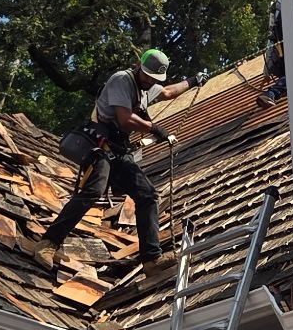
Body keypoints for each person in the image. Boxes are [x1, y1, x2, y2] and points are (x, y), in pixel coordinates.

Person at [32, 48, 192, 272]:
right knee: (94, 189)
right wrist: (155, 128)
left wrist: (192, 81)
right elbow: (125, 120)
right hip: (98, 142)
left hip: (118, 149)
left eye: (154, 79)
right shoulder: (122, 80)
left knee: (147, 195)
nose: (150, 82)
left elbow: (166, 92)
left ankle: (151, 260)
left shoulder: (146, 86)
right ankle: (47, 244)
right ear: (138, 67)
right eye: (148, 77)